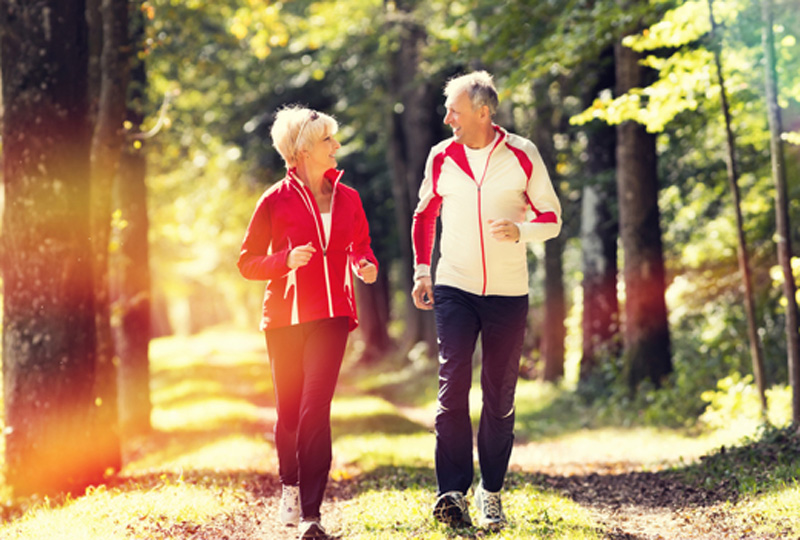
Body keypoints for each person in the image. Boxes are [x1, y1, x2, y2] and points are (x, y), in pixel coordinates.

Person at [411, 71, 562, 530]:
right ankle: (451, 492)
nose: (447, 118)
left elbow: (552, 217)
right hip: (454, 285)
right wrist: (422, 272)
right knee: (452, 384)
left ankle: (490, 492)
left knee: (498, 395)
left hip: (507, 292)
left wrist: (522, 231)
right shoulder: (442, 156)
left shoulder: (522, 154)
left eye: (454, 110)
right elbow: (424, 215)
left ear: (483, 111)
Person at [238, 105, 378, 540]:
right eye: (327, 140)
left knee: (316, 409)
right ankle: (290, 485)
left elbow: (362, 247)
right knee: (291, 412)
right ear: (300, 151)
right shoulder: (274, 200)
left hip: (334, 315)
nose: (336, 146)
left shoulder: (349, 198)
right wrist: (284, 260)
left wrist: (365, 265)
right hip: (284, 318)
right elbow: (246, 263)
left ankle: (312, 515)